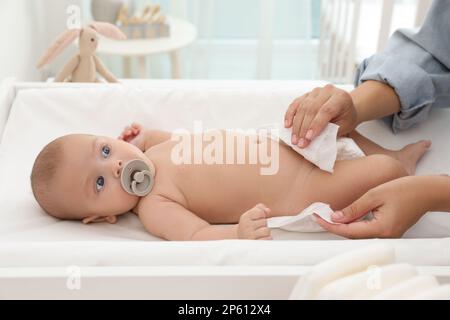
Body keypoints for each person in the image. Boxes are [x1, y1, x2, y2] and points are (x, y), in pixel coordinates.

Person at [30, 122, 428, 241]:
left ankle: (392, 152)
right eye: (99, 185)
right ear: (101, 219)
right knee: (385, 176)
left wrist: (143, 134)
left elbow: (166, 139)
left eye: (105, 151)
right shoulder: (154, 206)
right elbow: (197, 235)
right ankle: (400, 167)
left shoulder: (151, 152)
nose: (115, 168)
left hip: (286, 148)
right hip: (300, 189)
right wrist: (237, 232)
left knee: (341, 122)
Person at [284, 0, 450, 238]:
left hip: (289, 184)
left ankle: (397, 163)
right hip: (281, 170)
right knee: (327, 132)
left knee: (382, 170)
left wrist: (436, 193)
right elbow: (438, 50)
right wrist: (356, 106)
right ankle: (394, 158)